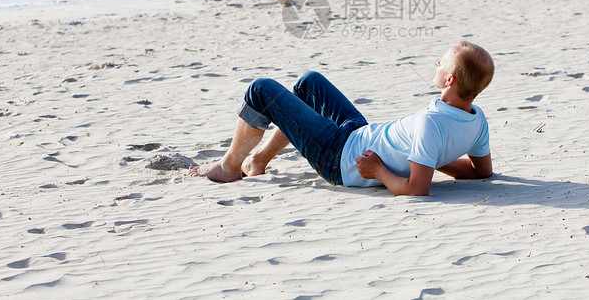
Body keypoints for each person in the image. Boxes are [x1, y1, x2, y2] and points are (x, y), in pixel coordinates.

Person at [188, 41, 494, 196]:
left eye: (443, 61)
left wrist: (379, 172)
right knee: (310, 82)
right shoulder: (477, 119)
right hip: (358, 135)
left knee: (261, 89)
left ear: (450, 80)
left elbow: (417, 190)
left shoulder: (432, 124)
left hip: (340, 158)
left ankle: (229, 167)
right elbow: (481, 172)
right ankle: (258, 161)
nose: (437, 62)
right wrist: (429, 157)